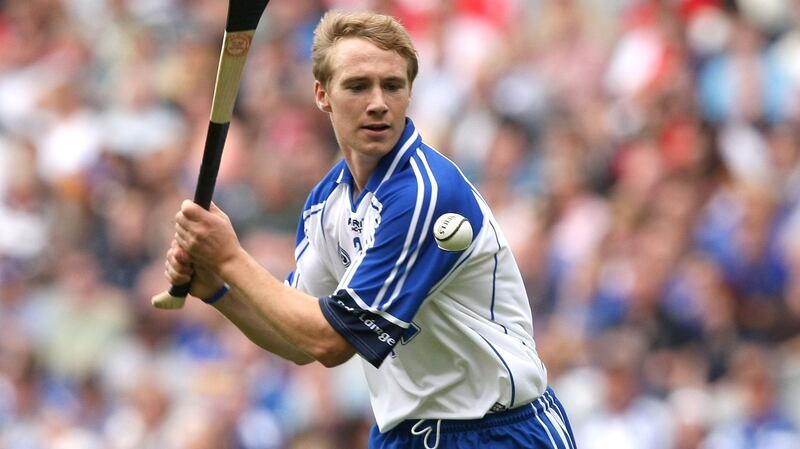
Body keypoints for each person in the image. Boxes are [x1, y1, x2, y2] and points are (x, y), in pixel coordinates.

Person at [164, 10, 577, 449]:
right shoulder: (327, 204)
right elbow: (297, 339)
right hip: (403, 436)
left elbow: (329, 341)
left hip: (497, 433)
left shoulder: (423, 193)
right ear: (322, 95)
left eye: (393, 86)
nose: (378, 101)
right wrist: (217, 291)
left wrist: (230, 257)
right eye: (358, 86)